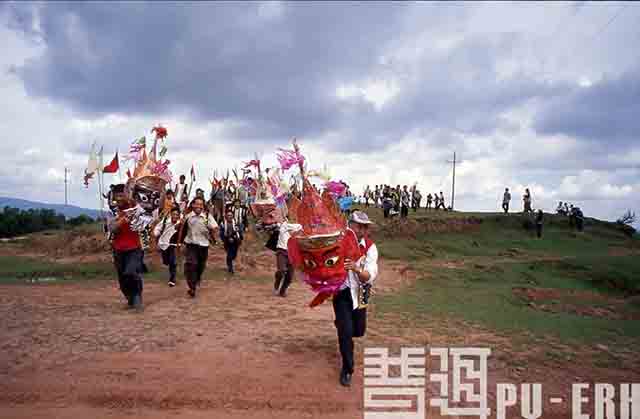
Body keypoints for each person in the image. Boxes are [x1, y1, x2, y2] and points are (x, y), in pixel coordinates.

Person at [333, 211, 378, 387]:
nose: (362, 230)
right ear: (349, 225)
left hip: (362, 291)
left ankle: (343, 326)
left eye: (365, 227)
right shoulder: (337, 242)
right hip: (342, 292)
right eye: (358, 225)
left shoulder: (370, 248)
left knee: (359, 331)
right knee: (346, 332)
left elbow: (369, 276)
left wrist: (355, 268)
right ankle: (347, 369)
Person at [108, 184, 144, 310]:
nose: (119, 198)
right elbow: (112, 228)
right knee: (122, 278)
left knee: (131, 272)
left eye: (122, 194)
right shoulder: (112, 212)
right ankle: (130, 298)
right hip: (118, 250)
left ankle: (137, 296)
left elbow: (146, 210)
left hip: (134, 248)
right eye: (117, 195)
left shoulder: (135, 208)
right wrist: (122, 220)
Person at [179, 196, 219, 298]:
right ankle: (192, 288)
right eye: (197, 204)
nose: (199, 206)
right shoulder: (188, 217)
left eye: (201, 204)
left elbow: (215, 227)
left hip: (203, 245)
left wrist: (213, 231)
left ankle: (196, 280)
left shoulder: (207, 216)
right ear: (192, 205)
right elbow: (181, 230)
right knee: (191, 265)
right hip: (191, 244)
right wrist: (180, 243)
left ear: (203, 206)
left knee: (200, 267)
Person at [153, 206, 181, 287]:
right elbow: (158, 228)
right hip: (164, 244)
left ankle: (172, 279)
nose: (175, 216)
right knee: (166, 261)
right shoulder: (165, 221)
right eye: (174, 214)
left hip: (173, 245)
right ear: (171, 215)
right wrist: (155, 234)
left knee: (173, 262)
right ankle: (168, 264)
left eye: (177, 214)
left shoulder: (181, 224)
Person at [273, 218, 302, 297]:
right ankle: (277, 283)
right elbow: (277, 224)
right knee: (281, 270)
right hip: (281, 251)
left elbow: (301, 227)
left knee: (289, 276)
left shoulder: (298, 228)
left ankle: (282, 291)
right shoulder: (282, 227)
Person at [220, 210, 243, 275]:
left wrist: (240, 238)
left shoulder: (236, 223)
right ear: (226, 216)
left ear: (232, 216)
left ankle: (230, 263)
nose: (229, 216)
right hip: (227, 241)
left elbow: (240, 231)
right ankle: (230, 268)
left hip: (235, 240)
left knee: (234, 255)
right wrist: (225, 239)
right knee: (229, 255)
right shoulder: (223, 224)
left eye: (231, 215)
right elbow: (221, 234)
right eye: (228, 215)